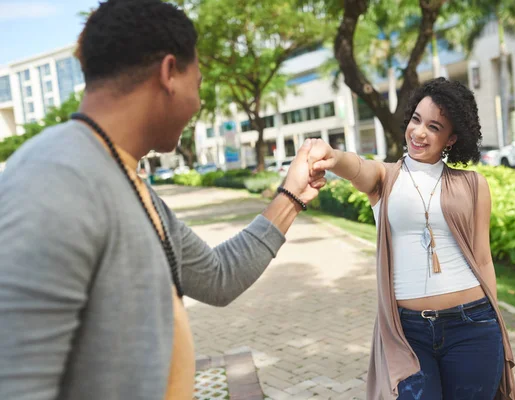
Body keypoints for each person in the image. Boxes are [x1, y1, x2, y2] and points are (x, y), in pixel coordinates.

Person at [0, 1, 327, 399]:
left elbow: (218, 277)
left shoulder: (123, 176)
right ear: (170, 72)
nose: (199, 102)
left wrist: (292, 195)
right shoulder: (54, 180)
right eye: (199, 83)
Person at [307, 78, 515, 400]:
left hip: (473, 324)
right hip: (408, 332)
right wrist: (333, 156)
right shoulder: (385, 178)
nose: (419, 133)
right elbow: (357, 167)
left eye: (434, 126)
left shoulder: (473, 185)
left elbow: (483, 258)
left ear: (452, 137)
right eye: (416, 119)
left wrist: (497, 320)